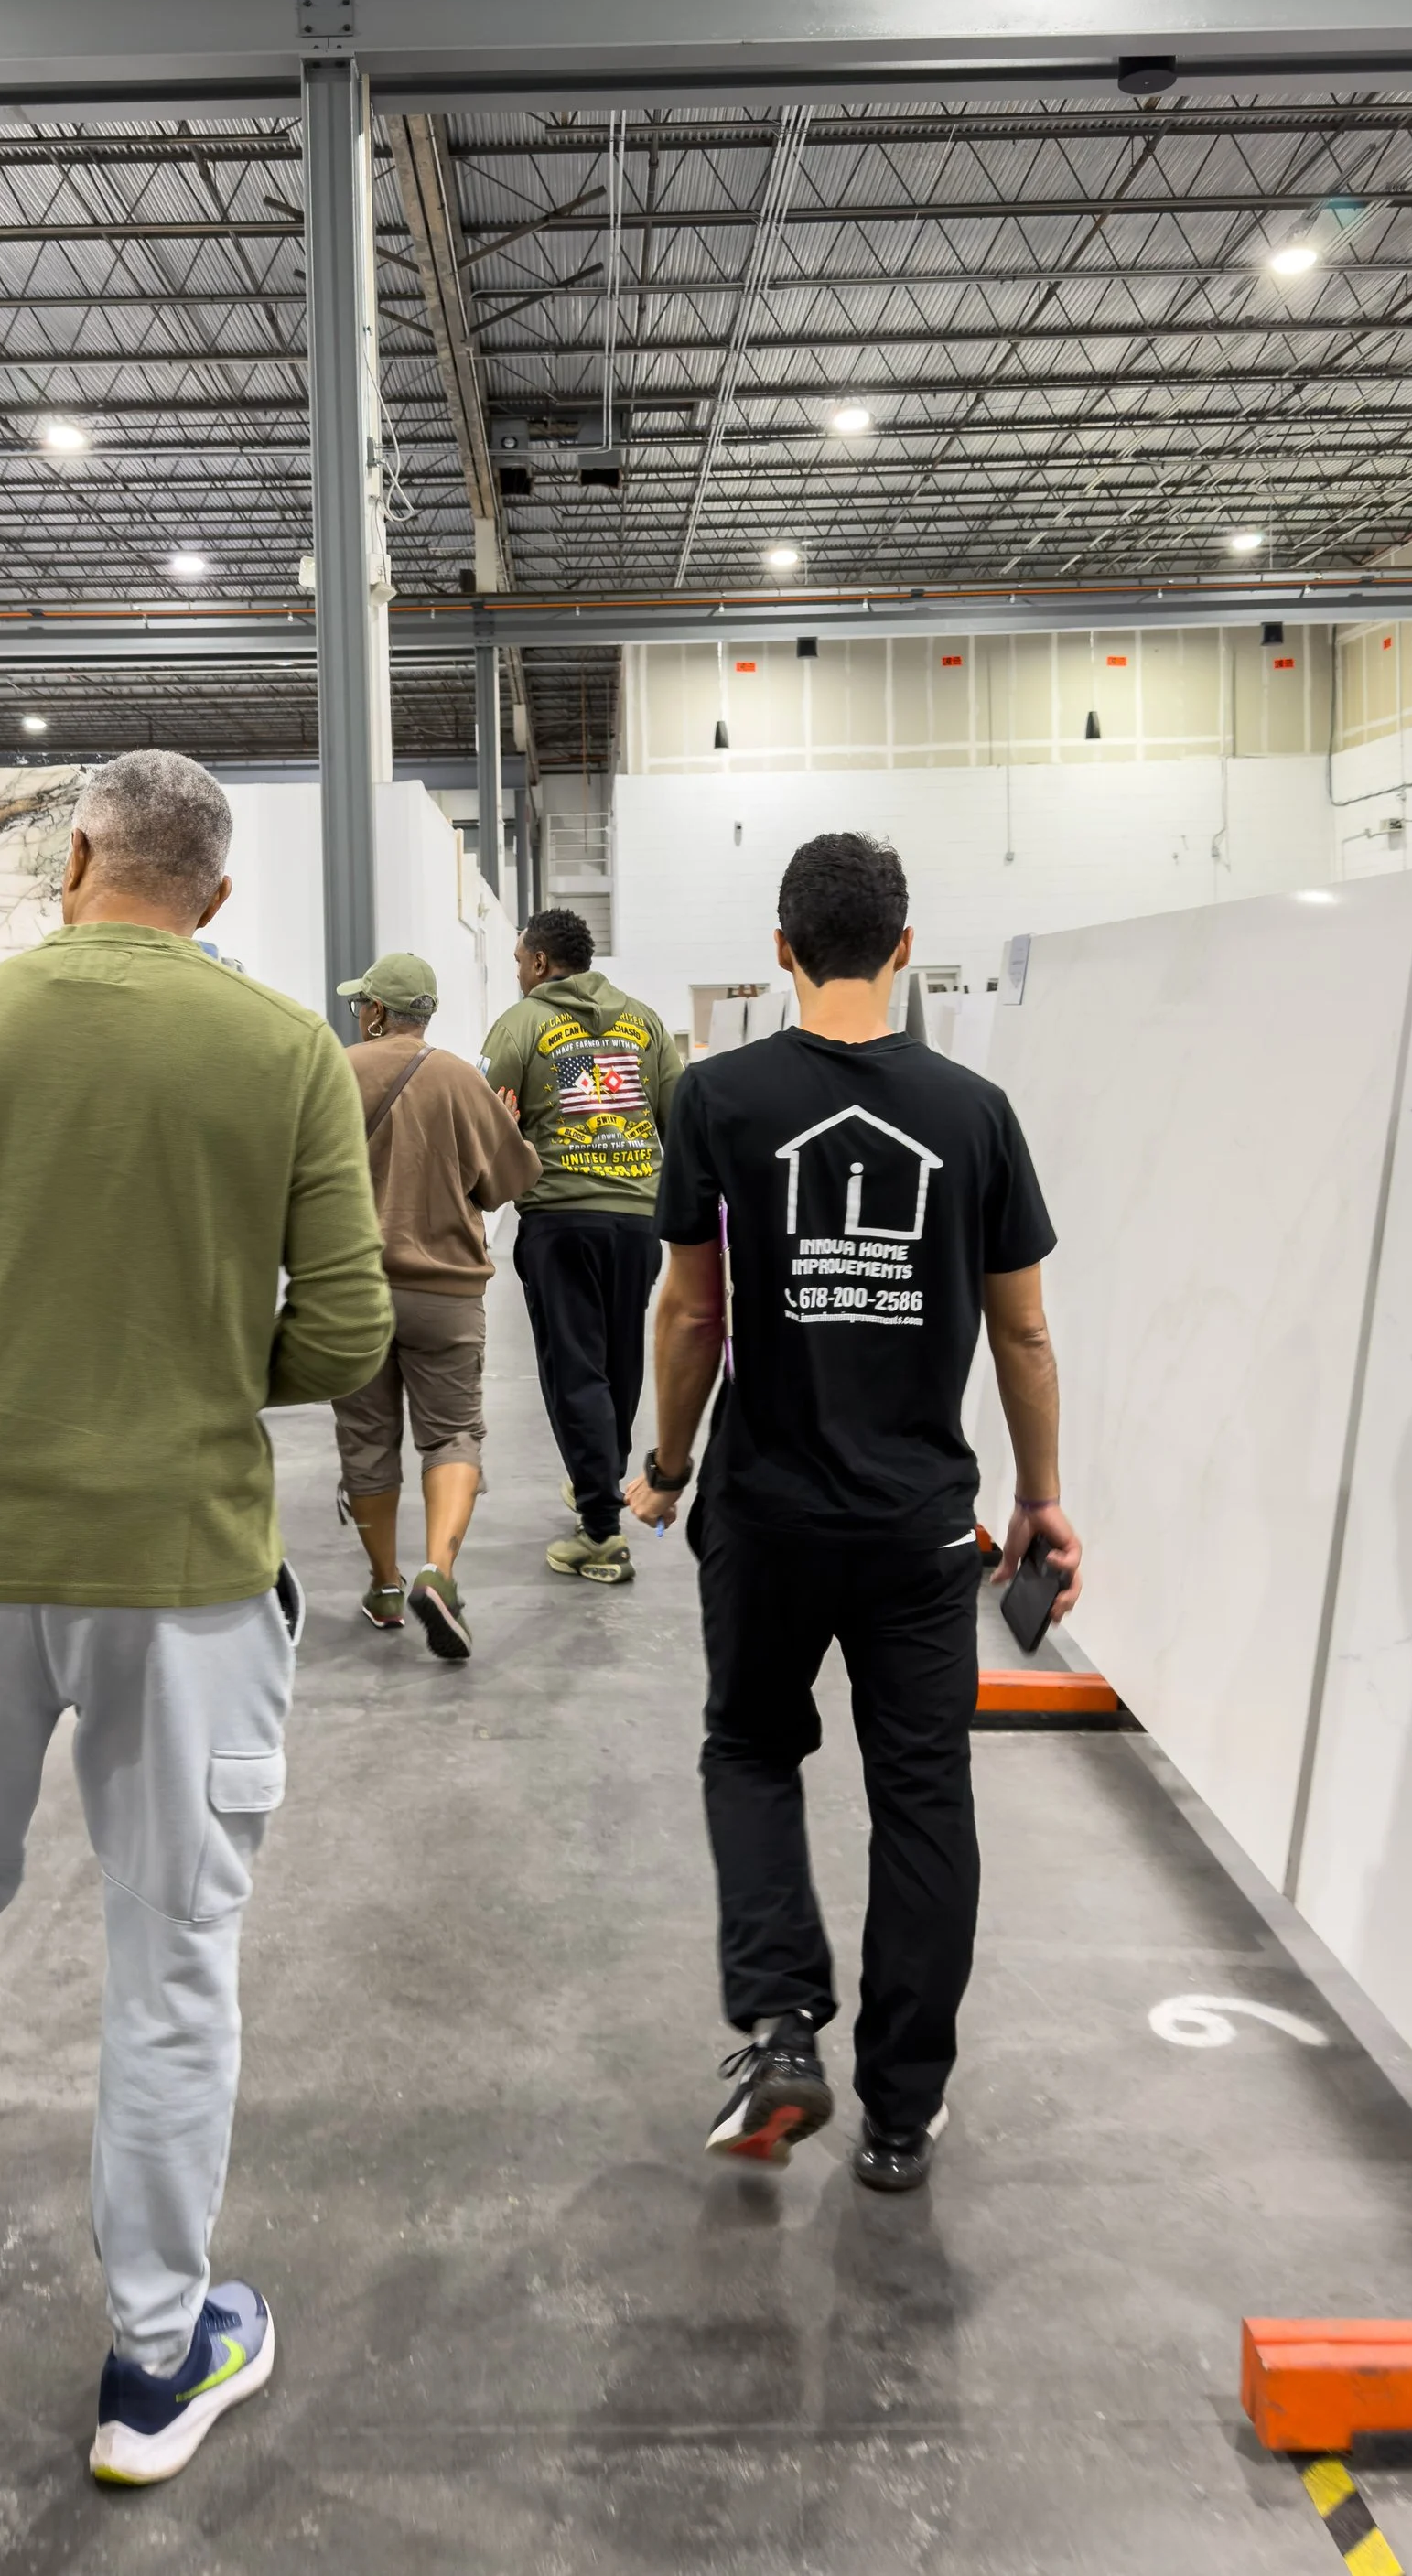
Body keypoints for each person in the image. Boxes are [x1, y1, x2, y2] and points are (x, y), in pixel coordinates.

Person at [0, 750, 392, 2552]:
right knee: (168, 1953)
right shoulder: (276, 1050)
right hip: (182, 1570)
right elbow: (347, 1331)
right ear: (213, 894)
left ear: (71, 860)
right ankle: (147, 2365)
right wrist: (195, 1379)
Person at [624, 832, 1081, 2195]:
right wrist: (1042, 1503)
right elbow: (1027, 1338)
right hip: (919, 1531)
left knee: (754, 1751)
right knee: (924, 1795)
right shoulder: (974, 1112)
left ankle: (778, 2029)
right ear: (901, 946)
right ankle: (900, 2110)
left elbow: (695, 1307)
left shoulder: (717, 1098)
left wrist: (665, 1462)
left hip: (764, 1515)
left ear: (780, 950)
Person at [331, 948, 541, 1660]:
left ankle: (385, 1587)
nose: (359, 1012)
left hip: (355, 1291)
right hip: (445, 1292)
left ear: (378, 1012)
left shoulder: (335, 1073)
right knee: (452, 1434)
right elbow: (508, 1180)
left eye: (364, 1003)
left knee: (366, 1440)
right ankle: (437, 1571)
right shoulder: (460, 1078)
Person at [482, 907, 683, 1586]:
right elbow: (676, 1118)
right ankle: (598, 1479)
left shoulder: (522, 1024)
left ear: (540, 962)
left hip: (561, 1218)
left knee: (574, 1370)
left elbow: (484, 1115)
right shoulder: (646, 1022)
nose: (516, 971)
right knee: (619, 1361)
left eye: (517, 960)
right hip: (636, 1219)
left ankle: (600, 1534)